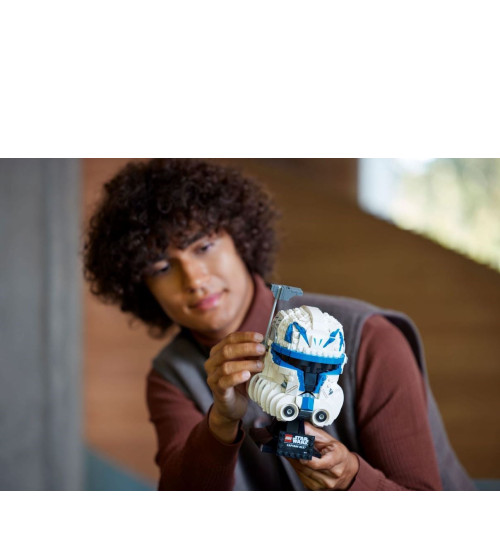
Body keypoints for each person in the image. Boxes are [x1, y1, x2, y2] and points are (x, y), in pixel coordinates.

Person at [83, 158, 475, 491]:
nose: (195, 279)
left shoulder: (369, 338)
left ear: (239, 238)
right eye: (161, 268)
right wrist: (221, 422)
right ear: (140, 286)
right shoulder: (172, 376)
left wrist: (352, 478)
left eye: (204, 246)